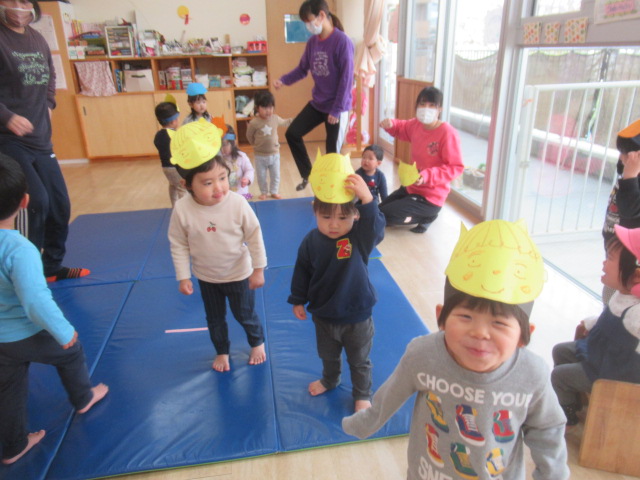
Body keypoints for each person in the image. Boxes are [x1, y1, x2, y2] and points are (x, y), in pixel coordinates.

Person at [343, 219, 569, 480]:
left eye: (498, 323)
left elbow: (547, 429)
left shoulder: (532, 374)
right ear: (441, 317)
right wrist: (362, 424)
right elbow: (391, 394)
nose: (480, 332)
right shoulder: (423, 355)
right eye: (465, 317)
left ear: (524, 335)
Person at [0, 154, 108, 465]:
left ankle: (14, 446)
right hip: (24, 333)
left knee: (8, 389)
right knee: (70, 353)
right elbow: (35, 301)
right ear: (25, 201)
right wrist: (63, 331)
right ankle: (83, 397)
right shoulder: (19, 249)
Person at [167, 119, 267, 373]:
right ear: (187, 185)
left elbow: (254, 235)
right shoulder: (182, 209)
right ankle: (222, 350)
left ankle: (257, 342)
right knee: (214, 318)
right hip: (207, 277)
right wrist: (183, 276)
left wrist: (258, 269)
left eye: (222, 178)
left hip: (239, 274)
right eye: (207, 183)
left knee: (245, 314)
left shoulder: (237, 203)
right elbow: (178, 243)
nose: (219, 187)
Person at [288, 152, 385, 412]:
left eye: (343, 218)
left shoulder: (358, 237)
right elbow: (302, 271)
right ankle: (330, 379)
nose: (334, 225)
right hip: (324, 314)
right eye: (326, 217)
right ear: (314, 211)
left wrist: (367, 199)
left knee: (359, 360)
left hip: (357, 314)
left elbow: (376, 229)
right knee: (328, 355)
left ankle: (362, 393)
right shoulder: (311, 241)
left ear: (355, 216)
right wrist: (298, 299)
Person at [0, 0, 89, 282]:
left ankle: (50, 266)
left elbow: (50, 75)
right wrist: (6, 116)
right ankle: (23, 270)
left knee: (60, 203)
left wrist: (49, 103)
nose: (19, 7)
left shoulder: (37, 38)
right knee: (35, 200)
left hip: (39, 138)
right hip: (8, 140)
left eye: (25, 2)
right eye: (12, 1)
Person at [551, 224, 640, 426]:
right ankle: (572, 397)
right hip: (599, 352)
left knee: (559, 376)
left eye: (610, 259)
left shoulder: (636, 314)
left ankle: (567, 414)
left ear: (635, 275)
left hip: (612, 372)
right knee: (560, 351)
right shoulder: (620, 294)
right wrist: (592, 323)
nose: (603, 263)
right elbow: (610, 316)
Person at [273, 0, 354, 192]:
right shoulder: (313, 43)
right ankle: (308, 175)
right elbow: (302, 69)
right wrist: (284, 80)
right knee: (292, 133)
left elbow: (346, 79)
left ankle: (333, 193)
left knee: (332, 154)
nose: (308, 26)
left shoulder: (342, 41)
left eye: (309, 21)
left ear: (322, 16)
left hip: (337, 107)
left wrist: (336, 109)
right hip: (318, 103)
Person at [379, 86, 464, 234]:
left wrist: (426, 176)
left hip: (430, 198)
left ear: (440, 109)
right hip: (411, 187)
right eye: (422, 104)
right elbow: (402, 127)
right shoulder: (416, 125)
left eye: (432, 105)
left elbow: (455, 167)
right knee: (378, 211)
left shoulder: (448, 133)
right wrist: (390, 124)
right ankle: (413, 211)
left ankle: (427, 216)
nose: (426, 109)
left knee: (385, 217)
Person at [601, 118, 640, 303]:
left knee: (619, 299)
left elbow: (631, 210)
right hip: (615, 248)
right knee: (609, 294)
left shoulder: (632, 177)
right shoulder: (629, 174)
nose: (622, 159)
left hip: (630, 259)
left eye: (627, 155)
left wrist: (630, 176)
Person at [246, 90, 292, 200]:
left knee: (275, 175)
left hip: (274, 154)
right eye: (265, 107)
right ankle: (264, 192)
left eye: (271, 107)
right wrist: (254, 144)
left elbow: (285, 122)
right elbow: (249, 135)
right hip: (260, 155)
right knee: (261, 176)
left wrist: (297, 120)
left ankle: (274, 191)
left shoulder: (275, 118)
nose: (268, 111)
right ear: (257, 108)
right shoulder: (254, 123)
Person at [153, 100, 187, 207]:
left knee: (173, 185)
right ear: (173, 121)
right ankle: (183, 210)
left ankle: (175, 206)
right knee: (182, 188)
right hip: (175, 167)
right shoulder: (174, 135)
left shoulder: (158, 135)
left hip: (166, 167)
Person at [220, 124, 254, 200]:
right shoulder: (217, 159)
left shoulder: (241, 156)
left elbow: (249, 170)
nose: (221, 148)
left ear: (233, 143)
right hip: (224, 195)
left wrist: (247, 178)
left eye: (224, 144)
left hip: (240, 194)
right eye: (218, 145)